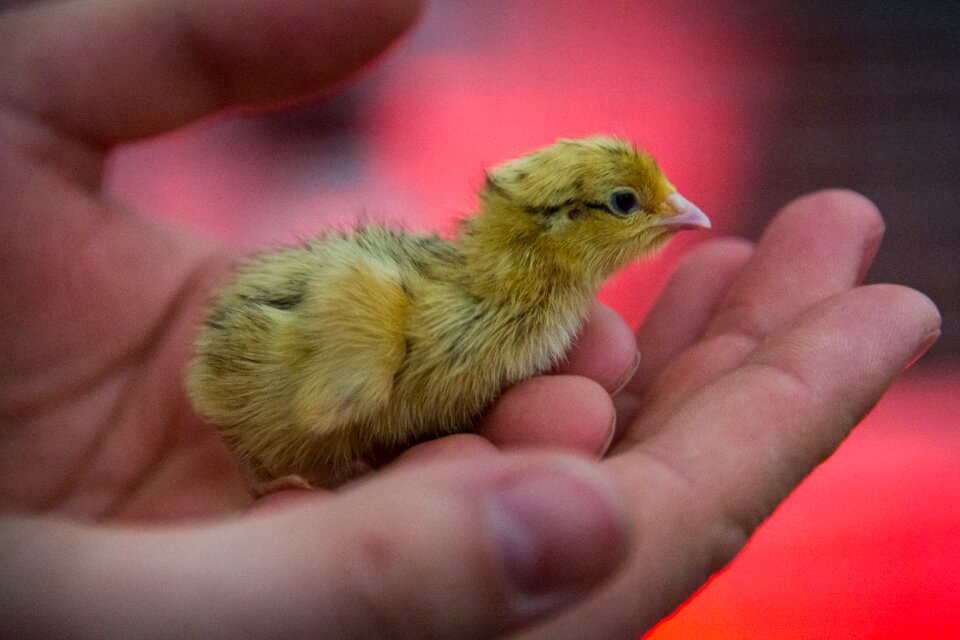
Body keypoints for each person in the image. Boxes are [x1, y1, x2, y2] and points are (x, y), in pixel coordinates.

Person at [0, 1, 940, 638]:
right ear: (556, 226)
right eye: (627, 203)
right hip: (284, 384)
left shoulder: (512, 305)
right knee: (356, 375)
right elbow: (332, 329)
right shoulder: (437, 308)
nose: (677, 213)